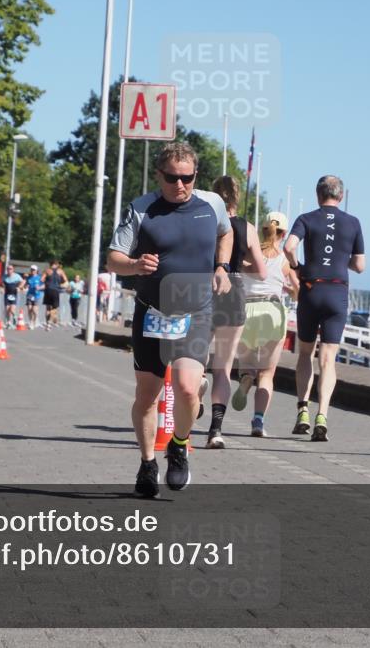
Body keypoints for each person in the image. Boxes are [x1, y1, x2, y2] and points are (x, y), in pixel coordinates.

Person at [107, 142, 232, 495]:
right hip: (152, 311)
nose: (181, 185)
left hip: (196, 311)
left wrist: (221, 266)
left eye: (188, 178)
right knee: (147, 394)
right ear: (158, 175)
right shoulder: (142, 209)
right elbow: (112, 258)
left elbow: (227, 232)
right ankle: (148, 464)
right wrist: (133, 265)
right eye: (173, 178)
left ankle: (179, 445)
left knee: (188, 387)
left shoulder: (212, 205)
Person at [284, 175, 365, 441]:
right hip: (337, 291)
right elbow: (360, 265)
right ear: (340, 196)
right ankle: (323, 415)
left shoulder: (306, 218)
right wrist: (344, 262)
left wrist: (297, 267)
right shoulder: (353, 223)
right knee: (328, 358)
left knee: (305, 354)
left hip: (311, 290)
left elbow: (289, 246)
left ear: (318, 195)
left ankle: (302, 410)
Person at [204, 176, 266, 449]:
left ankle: (195, 391)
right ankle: (215, 430)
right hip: (234, 291)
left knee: (196, 360)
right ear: (237, 198)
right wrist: (240, 264)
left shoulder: (204, 221)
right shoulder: (248, 228)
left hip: (204, 289)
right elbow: (262, 272)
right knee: (224, 367)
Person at [233, 211, 300, 437]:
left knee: (248, 366)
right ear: (283, 233)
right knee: (267, 373)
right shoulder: (284, 260)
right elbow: (297, 291)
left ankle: (244, 380)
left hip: (247, 312)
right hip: (272, 313)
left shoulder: (247, 256)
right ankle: (258, 421)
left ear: (262, 230)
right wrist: (289, 289)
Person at [43, 260, 68, 329]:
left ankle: (47, 323)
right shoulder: (60, 271)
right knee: (54, 308)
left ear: (50, 264)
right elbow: (66, 281)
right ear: (56, 264)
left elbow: (42, 279)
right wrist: (61, 285)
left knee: (48, 308)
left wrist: (47, 282)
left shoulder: (47, 270)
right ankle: (51, 321)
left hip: (48, 290)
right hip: (55, 290)